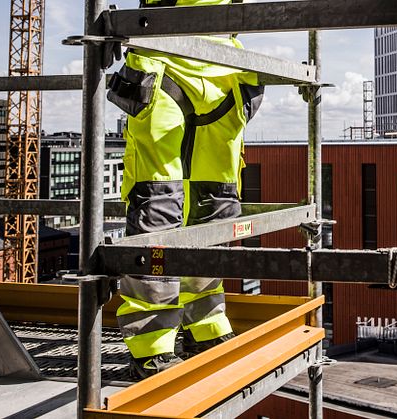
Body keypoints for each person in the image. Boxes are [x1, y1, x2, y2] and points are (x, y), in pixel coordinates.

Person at [107, 0, 264, 379]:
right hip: (164, 47)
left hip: (222, 58)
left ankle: (205, 325)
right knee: (158, 204)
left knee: (216, 205)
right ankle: (152, 346)